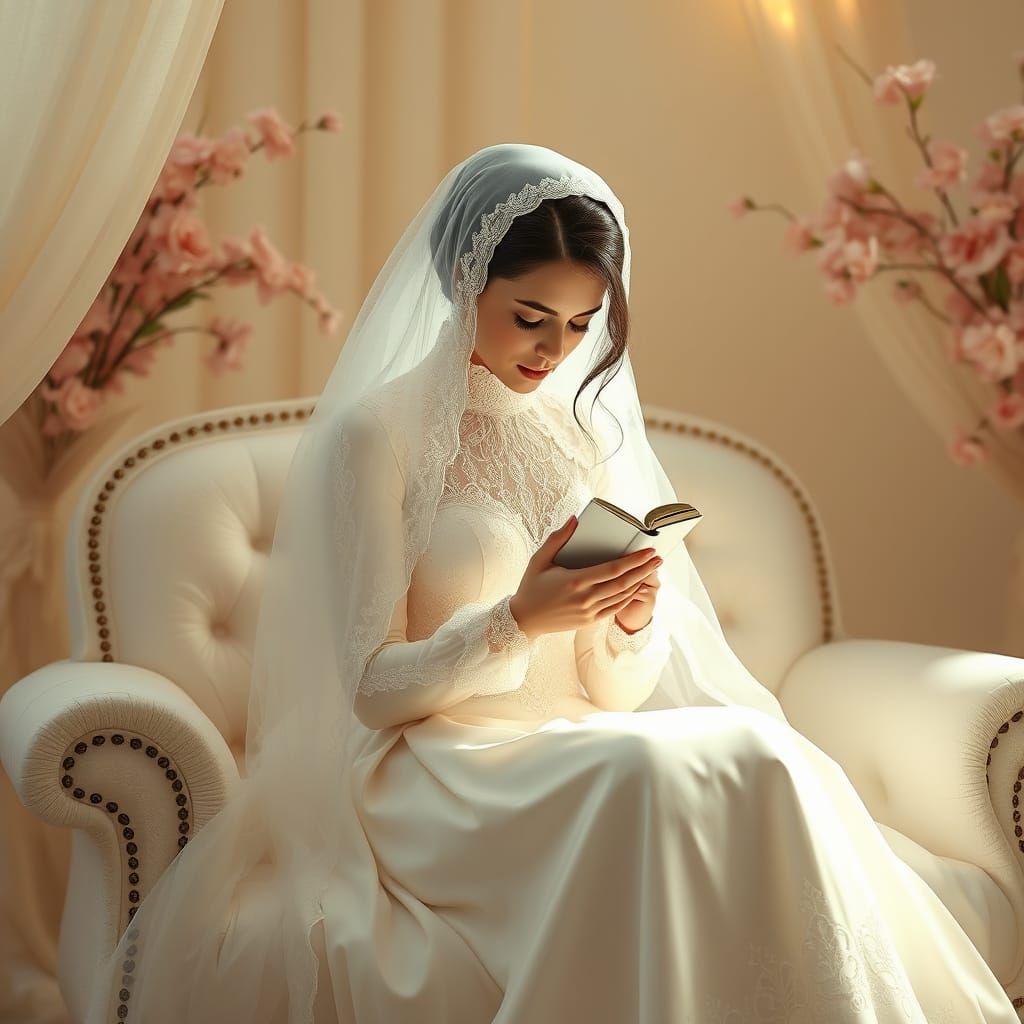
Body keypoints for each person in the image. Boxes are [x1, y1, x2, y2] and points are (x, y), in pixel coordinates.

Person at [85, 143, 1019, 1023]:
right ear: (465, 281)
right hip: (438, 771)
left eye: (579, 325)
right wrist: (517, 620)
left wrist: (626, 620)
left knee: (765, 754)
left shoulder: (576, 436)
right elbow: (371, 690)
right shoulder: (380, 437)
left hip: (570, 746)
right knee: (647, 775)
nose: (553, 350)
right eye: (530, 318)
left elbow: (611, 693)